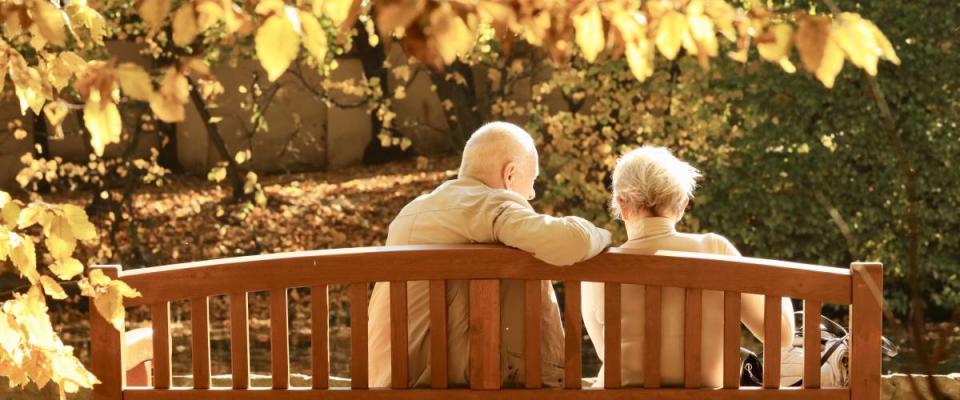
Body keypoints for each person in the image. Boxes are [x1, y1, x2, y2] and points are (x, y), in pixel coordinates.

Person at [367, 121, 612, 388]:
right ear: (510, 175)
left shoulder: (410, 212)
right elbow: (571, 242)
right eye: (531, 182)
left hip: (386, 382)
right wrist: (603, 235)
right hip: (439, 385)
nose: (531, 194)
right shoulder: (486, 203)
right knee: (531, 258)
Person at [582, 146, 796, 388]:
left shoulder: (599, 267)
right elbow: (781, 336)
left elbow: (606, 353)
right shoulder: (714, 249)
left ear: (621, 205)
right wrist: (780, 285)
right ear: (683, 205)